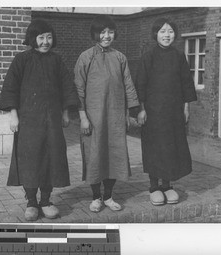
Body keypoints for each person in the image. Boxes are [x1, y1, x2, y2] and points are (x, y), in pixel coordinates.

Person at [0, 19, 79, 221]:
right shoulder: (21, 60)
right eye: (41, 37)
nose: (45, 41)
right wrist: (13, 115)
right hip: (28, 121)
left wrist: (66, 113)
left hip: (51, 120)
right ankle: (32, 202)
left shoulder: (56, 61)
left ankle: (46, 200)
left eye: (49, 37)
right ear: (32, 38)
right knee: (31, 160)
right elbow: (11, 89)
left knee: (52, 158)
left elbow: (67, 87)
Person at [74, 15, 139, 212]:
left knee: (114, 155)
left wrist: (128, 113)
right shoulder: (86, 57)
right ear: (95, 34)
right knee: (95, 155)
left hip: (116, 116)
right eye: (102, 32)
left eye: (110, 32)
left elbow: (129, 86)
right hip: (93, 118)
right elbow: (78, 89)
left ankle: (109, 196)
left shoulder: (120, 57)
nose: (106, 36)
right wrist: (83, 117)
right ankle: (96, 197)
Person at [136, 18, 197, 206]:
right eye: (163, 31)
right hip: (153, 112)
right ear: (156, 34)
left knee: (171, 147)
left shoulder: (179, 56)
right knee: (155, 147)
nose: (167, 35)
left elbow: (186, 83)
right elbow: (140, 84)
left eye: (170, 31)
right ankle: (154, 187)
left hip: (173, 111)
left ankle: (167, 185)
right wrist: (141, 109)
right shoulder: (148, 56)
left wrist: (186, 107)